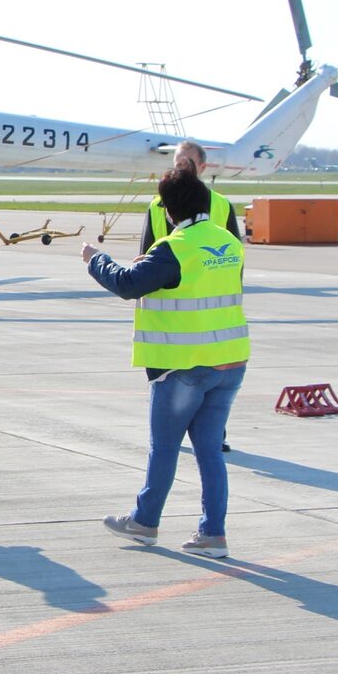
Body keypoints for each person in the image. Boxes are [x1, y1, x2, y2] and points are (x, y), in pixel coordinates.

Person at [83, 165, 249, 558]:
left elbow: (126, 283)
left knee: (165, 447)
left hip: (182, 365)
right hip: (229, 361)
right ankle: (212, 533)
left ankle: (145, 521)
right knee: (209, 450)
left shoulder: (174, 247)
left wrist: (96, 259)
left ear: (169, 212)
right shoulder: (229, 243)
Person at [140, 139, 240, 455]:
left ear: (203, 167)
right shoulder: (157, 205)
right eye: (177, 161)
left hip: (208, 306)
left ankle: (212, 434)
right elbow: (145, 255)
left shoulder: (221, 205)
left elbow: (234, 257)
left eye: (188, 162)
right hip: (169, 308)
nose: (181, 166)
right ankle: (172, 430)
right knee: (168, 377)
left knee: (211, 373)